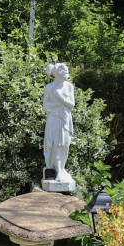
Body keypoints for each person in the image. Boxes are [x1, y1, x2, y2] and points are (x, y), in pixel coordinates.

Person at [41, 62, 76, 191]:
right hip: (54, 119)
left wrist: (60, 99)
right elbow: (46, 106)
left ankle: (61, 168)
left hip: (65, 119)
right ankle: (58, 171)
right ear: (58, 74)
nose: (67, 74)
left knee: (65, 144)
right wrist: (57, 107)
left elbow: (71, 104)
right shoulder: (49, 87)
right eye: (65, 72)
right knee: (56, 144)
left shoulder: (69, 86)